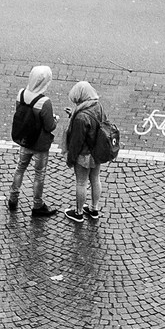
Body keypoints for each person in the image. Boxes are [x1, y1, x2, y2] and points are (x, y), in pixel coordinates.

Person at [7, 65, 58, 217]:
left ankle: (13, 198)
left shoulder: (21, 94)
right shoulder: (45, 102)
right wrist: (55, 120)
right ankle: (37, 205)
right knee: (39, 173)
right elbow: (50, 126)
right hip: (40, 143)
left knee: (20, 168)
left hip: (25, 138)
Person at [62, 81, 106, 223]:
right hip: (97, 152)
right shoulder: (97, 105)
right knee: (95, 179)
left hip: (84, 155)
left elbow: (77, 142)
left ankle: (79, 212)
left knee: (81, 183)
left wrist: (70, 159)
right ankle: (94, 209)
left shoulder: (81, 117)